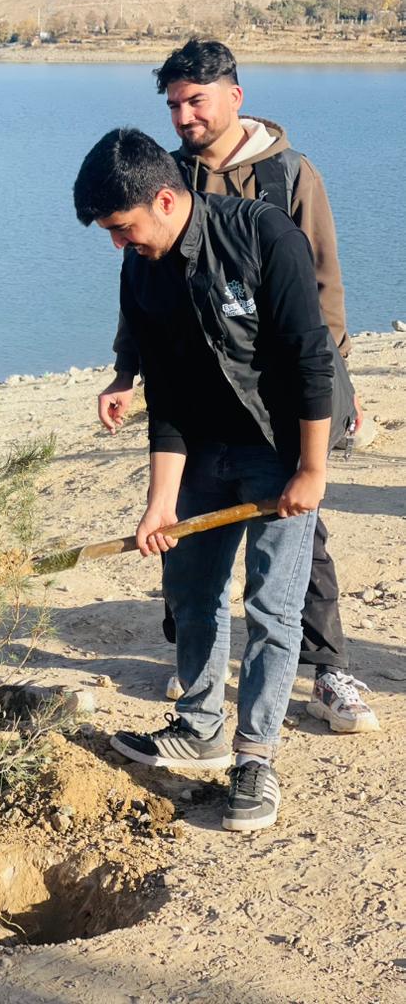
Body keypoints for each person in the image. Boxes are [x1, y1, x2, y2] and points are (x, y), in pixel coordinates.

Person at [73, 127, 352, 831]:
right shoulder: (142, 268)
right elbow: (164, 398)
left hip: (278, 448)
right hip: (200, 454)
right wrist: (159, 503)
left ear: (165, 200)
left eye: (122, 227)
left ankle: (256, 758)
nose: (117, 244)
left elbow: (312, 359)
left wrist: (312, 469)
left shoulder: (263, 236)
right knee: (191, 593)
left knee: (272, 609)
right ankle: (199, 726)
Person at [97, 39, 378, 734]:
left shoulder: (288, 177)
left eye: (196, 100)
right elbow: (148, 295)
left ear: (234, 97)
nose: (185, 116)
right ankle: (196, 671)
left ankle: (327, 666)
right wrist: (126, 372)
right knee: (188, 543)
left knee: (294, 537)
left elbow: (322, 292)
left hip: (280, 403)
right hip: (200, 404)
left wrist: (339, 389)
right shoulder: (165, 179)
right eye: (173, 105)